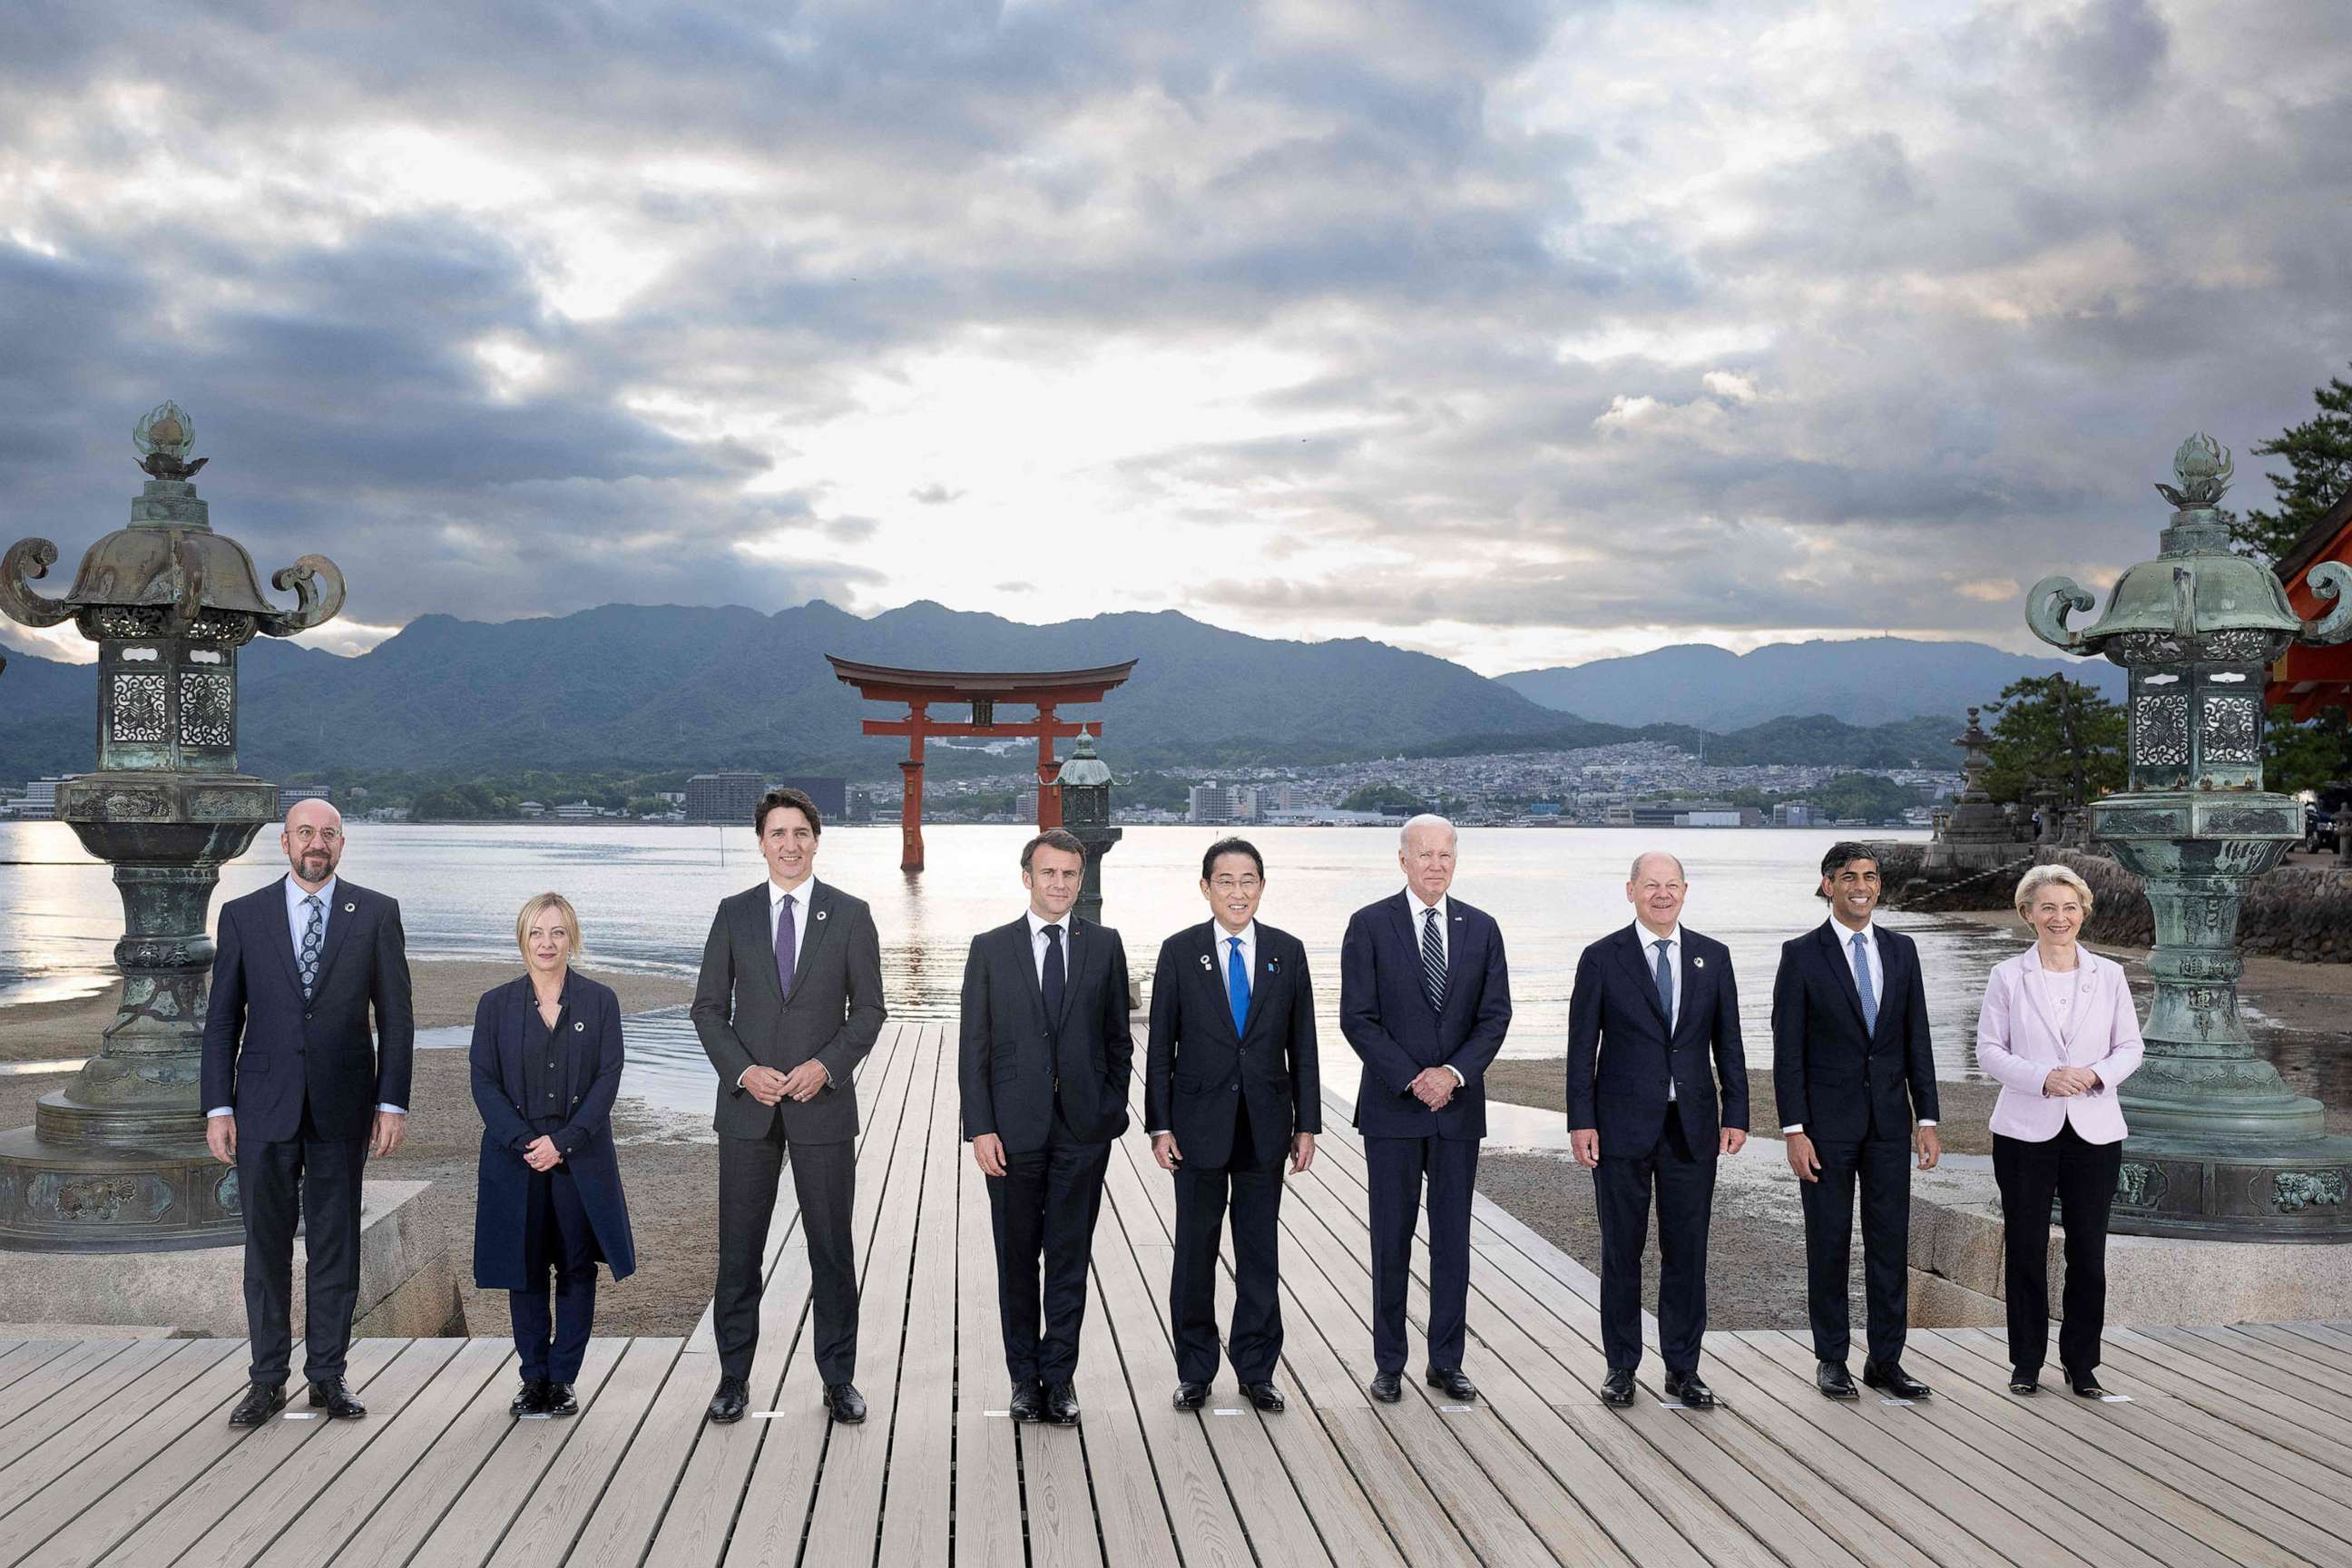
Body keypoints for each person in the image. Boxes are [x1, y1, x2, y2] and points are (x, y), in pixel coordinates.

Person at [201, 799, 414, 1427]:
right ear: (284, 843)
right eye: (303, 833)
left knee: (334, 1246)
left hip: (344, 1107)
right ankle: (265, 1380)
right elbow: (221, 1023)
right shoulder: (243, 916)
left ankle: (328, 1377)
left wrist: (392, 1100)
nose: (314, 844)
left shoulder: (376, 913)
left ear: (341, 844)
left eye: (326, 834)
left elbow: (396, 1019)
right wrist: (218, 1107)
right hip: (261, 1108)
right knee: (264, 1248)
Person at [691, 786, 887, 1426]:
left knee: (831, 1249)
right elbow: (709, 1009)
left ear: (816, 839)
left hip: (822, 1107)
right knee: (739, 1251)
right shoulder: (732, 912)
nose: (790, 844)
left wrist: (825, 1067)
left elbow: (871, 1012)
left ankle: (838, 1380)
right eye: (778, 833)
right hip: (748, 1109)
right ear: (761, 842)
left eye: (801, 832)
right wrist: (743, 1071)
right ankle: (733, 1379)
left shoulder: (850, 914)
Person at [957, 828, 1132, 1426]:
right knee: (1015, 1260)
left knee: (1068, 1258)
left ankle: (1059, 1381)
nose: (1059, 884)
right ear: (1027, 877)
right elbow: (973, 1046)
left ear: (1080, 881)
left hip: (1084, 1130)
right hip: (1011, 1130)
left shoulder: (1105, 946)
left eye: (1069, 875)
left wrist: (1111, 1108)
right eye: (1049, 873)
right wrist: (979, 1127)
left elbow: (1118, 1039)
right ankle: (1022, 1382)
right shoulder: (990, 948)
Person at [1338, 814, 1511, 1405]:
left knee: (1452, 1240)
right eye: (1424, 854)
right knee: (1391, 1239)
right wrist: (1414, 1079)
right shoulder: (1368, 926)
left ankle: (1446, 1362)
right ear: (1402, 860)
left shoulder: (1482, 929)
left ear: (1455, 860)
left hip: (1458, 1110)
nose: (1435, 864)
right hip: (1392, 1109)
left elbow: (1495, 1018)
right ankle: (1389, 1363)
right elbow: (1356, 1018)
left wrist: (1452, 1074)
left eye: (1445, 854)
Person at [1567, 851, 1748, 1409]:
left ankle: (1683, 1369)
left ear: (1686, 891)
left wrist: (1736, 1111)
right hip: (1620, 1127)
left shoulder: (1713, 958)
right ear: (1631, 891)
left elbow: (1729, 1044)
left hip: (1692, 1127)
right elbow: (1581, 1049)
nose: (1662, 895)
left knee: (1687, 1252)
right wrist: (1581, 1121)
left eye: (1671, 886)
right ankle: (1621, 1367)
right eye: (1651, 886)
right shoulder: (1601, 958)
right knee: (1622, 1250)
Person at [1146, 838, 1320, 1413]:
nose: (1238, 891)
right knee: (1194, 1250)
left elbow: (1305, 1046)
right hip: (1196, 1126)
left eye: (1249, 880)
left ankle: (1257, 1369)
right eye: (1226, 881)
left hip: (1267, 1124)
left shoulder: (1288, 953)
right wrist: (1159, 1125)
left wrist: (1308, 1124)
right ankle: (1194, 1370)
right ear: (1206, 888)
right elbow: (1159, 1047)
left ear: (1262, 887)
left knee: (1259, 1251)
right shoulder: (1178, 952)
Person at [1770, 843, 1941, 1402]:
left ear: (1879, 886)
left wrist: (1928, 1117)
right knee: (1830, 1243)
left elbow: (1917, 1037)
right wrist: (1794, 1130)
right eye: (1848, 877)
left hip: (1891, 1124)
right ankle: (1832, 1359)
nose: (1860, 886)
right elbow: (1787, 1051)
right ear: (1828, 884)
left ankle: (1886, 1361)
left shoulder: (1902, 950)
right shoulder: (1800, 955)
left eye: (1869, 877)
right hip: (1825, 1129)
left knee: (1890, 1244)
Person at [1975, 863, 2143, 1397]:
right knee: (2024, 1247)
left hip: (2095, 1129)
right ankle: (2026, 1362)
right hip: (2025, 1128)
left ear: (2084, 912)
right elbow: (1989, 1052)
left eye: (2069, 907)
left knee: (2088, 1251)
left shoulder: (2110, 975)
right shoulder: (2007, 975)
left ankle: (2082, 1363)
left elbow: (2131, 1048)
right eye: (2047, 907)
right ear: (2028, 914)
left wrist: (2094, 1075)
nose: (2059, 917)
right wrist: (2044, 1078)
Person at [469, 893, 637, 1419]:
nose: (547, 943)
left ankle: (563, 1379)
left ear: (573, 939)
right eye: (538, 933)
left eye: (558, 932)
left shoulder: (600, 1001)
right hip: (513, 1158)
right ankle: (532, 1378)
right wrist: (524, 1142)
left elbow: (608, 1079)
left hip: (579, 1159)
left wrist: (563, 1141)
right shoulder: (494, 1006)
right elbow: (483, 1081)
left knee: (575, 1267)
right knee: (523, 1271)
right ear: (523, 939)